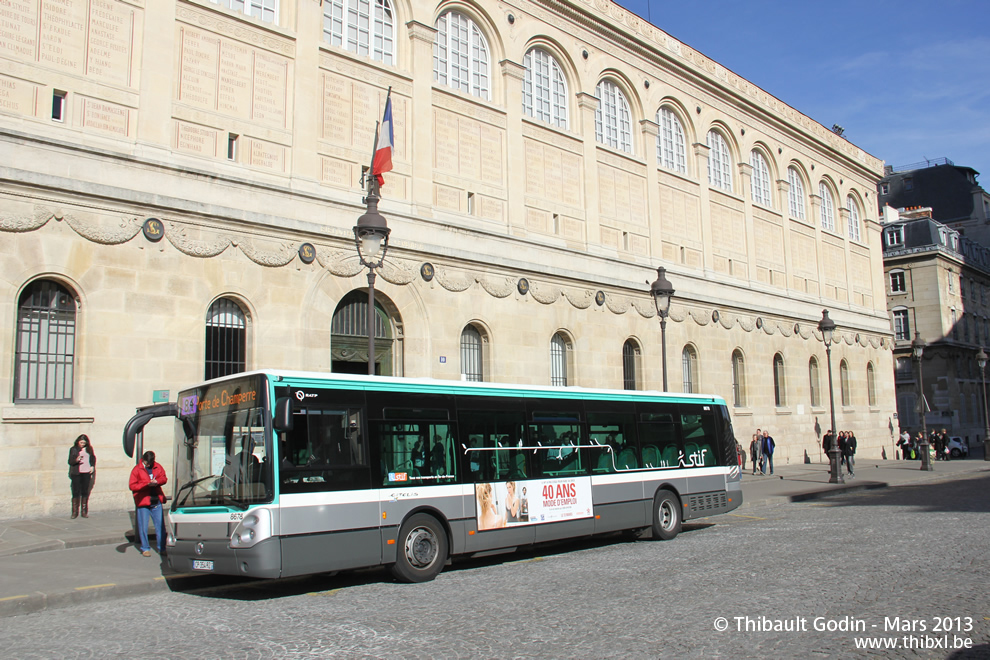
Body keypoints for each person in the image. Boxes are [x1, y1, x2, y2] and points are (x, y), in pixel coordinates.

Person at [129, 451, 168, 557]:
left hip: (156, 500)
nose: (148, 465)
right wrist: (146, 484)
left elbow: (164, 478)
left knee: (160, 526)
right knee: (143, 527)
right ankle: (145, 548)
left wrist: (157, 482)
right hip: (143, 501)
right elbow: (132, 486)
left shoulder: (157, 467)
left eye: (150, 463)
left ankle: (162, 547)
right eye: (146, 462)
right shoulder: (137, 469)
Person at [67, 434, 96, 519]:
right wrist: (76, 459)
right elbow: (70, 461)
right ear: (78, 441)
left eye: (84, 443)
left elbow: (93, 458)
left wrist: (92, 466)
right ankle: (74, 512)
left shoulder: (89, 449)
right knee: (76, 492)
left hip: (86, 472)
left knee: (85, 491)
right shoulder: (74, 449)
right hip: (77, 472)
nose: (82, 444)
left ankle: (84, 511)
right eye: (81, 442)